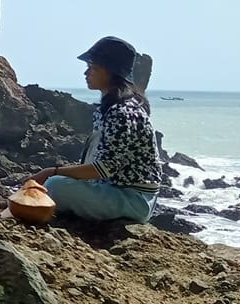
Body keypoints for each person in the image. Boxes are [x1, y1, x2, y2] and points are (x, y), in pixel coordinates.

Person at [25, 36, 162, 223]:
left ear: (110, 72)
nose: (86, 72)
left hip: (133, 199)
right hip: (116, 191)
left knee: (55, 185)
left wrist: (51, 172)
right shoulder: (110, 108)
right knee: (54, 184)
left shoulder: (122, 112)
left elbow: (105, 168)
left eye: (93, 67)